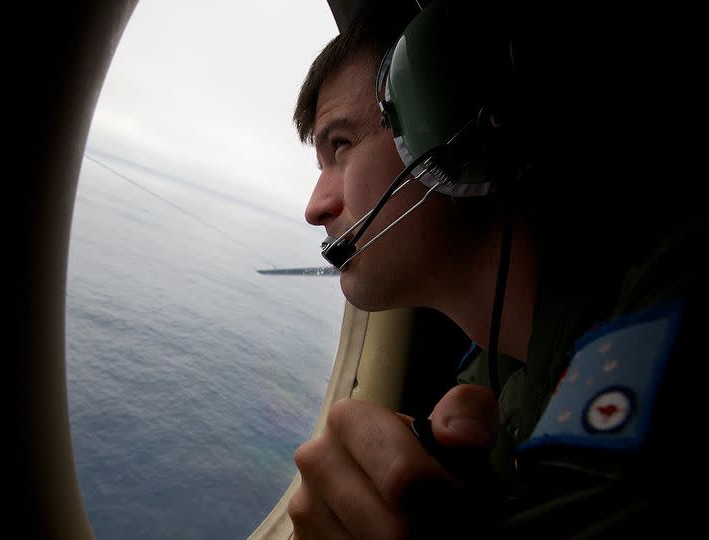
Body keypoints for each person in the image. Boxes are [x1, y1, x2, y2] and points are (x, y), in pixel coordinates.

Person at [287, 0, 707, 538]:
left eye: (340, 146)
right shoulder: (491, 381)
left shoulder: (675, 306)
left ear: (453, 119)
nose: (315, 206)